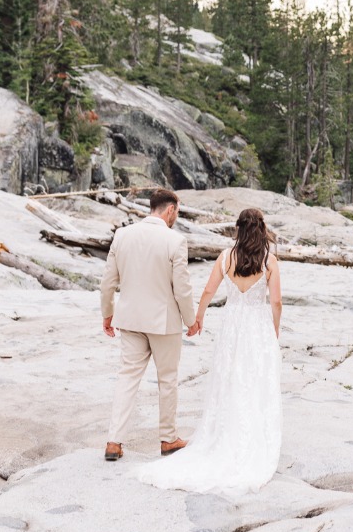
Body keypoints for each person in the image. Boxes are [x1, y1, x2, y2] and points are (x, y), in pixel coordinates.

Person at [135, 207, 283, 494]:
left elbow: (207, 291)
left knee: (229, 378)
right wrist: (274, 330)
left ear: (238, 229)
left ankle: (224, 433)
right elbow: (275, 302)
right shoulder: (269, 260)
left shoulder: (226, 257)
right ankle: (253, 436)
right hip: (256, 326)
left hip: (232, 326)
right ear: (262, 230)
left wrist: (198, 318)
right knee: (256, 379)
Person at [100, 188, 199, 462]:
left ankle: (113, 441)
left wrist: (107, 313)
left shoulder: (122, 235)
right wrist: (191, 321)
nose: (176, 216)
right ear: (169, 210)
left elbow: (108, 281)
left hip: (130, 319)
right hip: (163, 322)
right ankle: (168, 439)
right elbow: (182, 288)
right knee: (167, 380)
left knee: (127, 378)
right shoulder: (175, 241)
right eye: (177, 211)